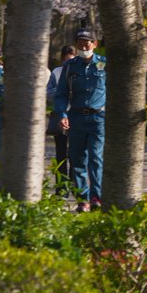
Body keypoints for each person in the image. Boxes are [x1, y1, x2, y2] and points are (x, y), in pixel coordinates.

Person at [55, 27, 108, 211]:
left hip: (98, 117)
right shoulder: (70, 66)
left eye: (87, 42)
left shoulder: (104, 64)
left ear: (94, 44)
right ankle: (82, 199)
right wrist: (62, 114)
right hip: (76, 116)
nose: (84, 46)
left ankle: (96, 197)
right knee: (77, 160)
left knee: (95, 158)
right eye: (80, 43)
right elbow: (61, 93)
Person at [46, 45, 75, 189]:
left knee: (75, 154)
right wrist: (61, 91)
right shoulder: (56, 72)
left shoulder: (80, 71)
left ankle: (75, 184)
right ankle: (61, 186)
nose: (68, 62)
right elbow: (48, 93)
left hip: (76, 116)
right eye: (66, 59)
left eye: (72, 59)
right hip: (60, 116)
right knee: (61, 154)